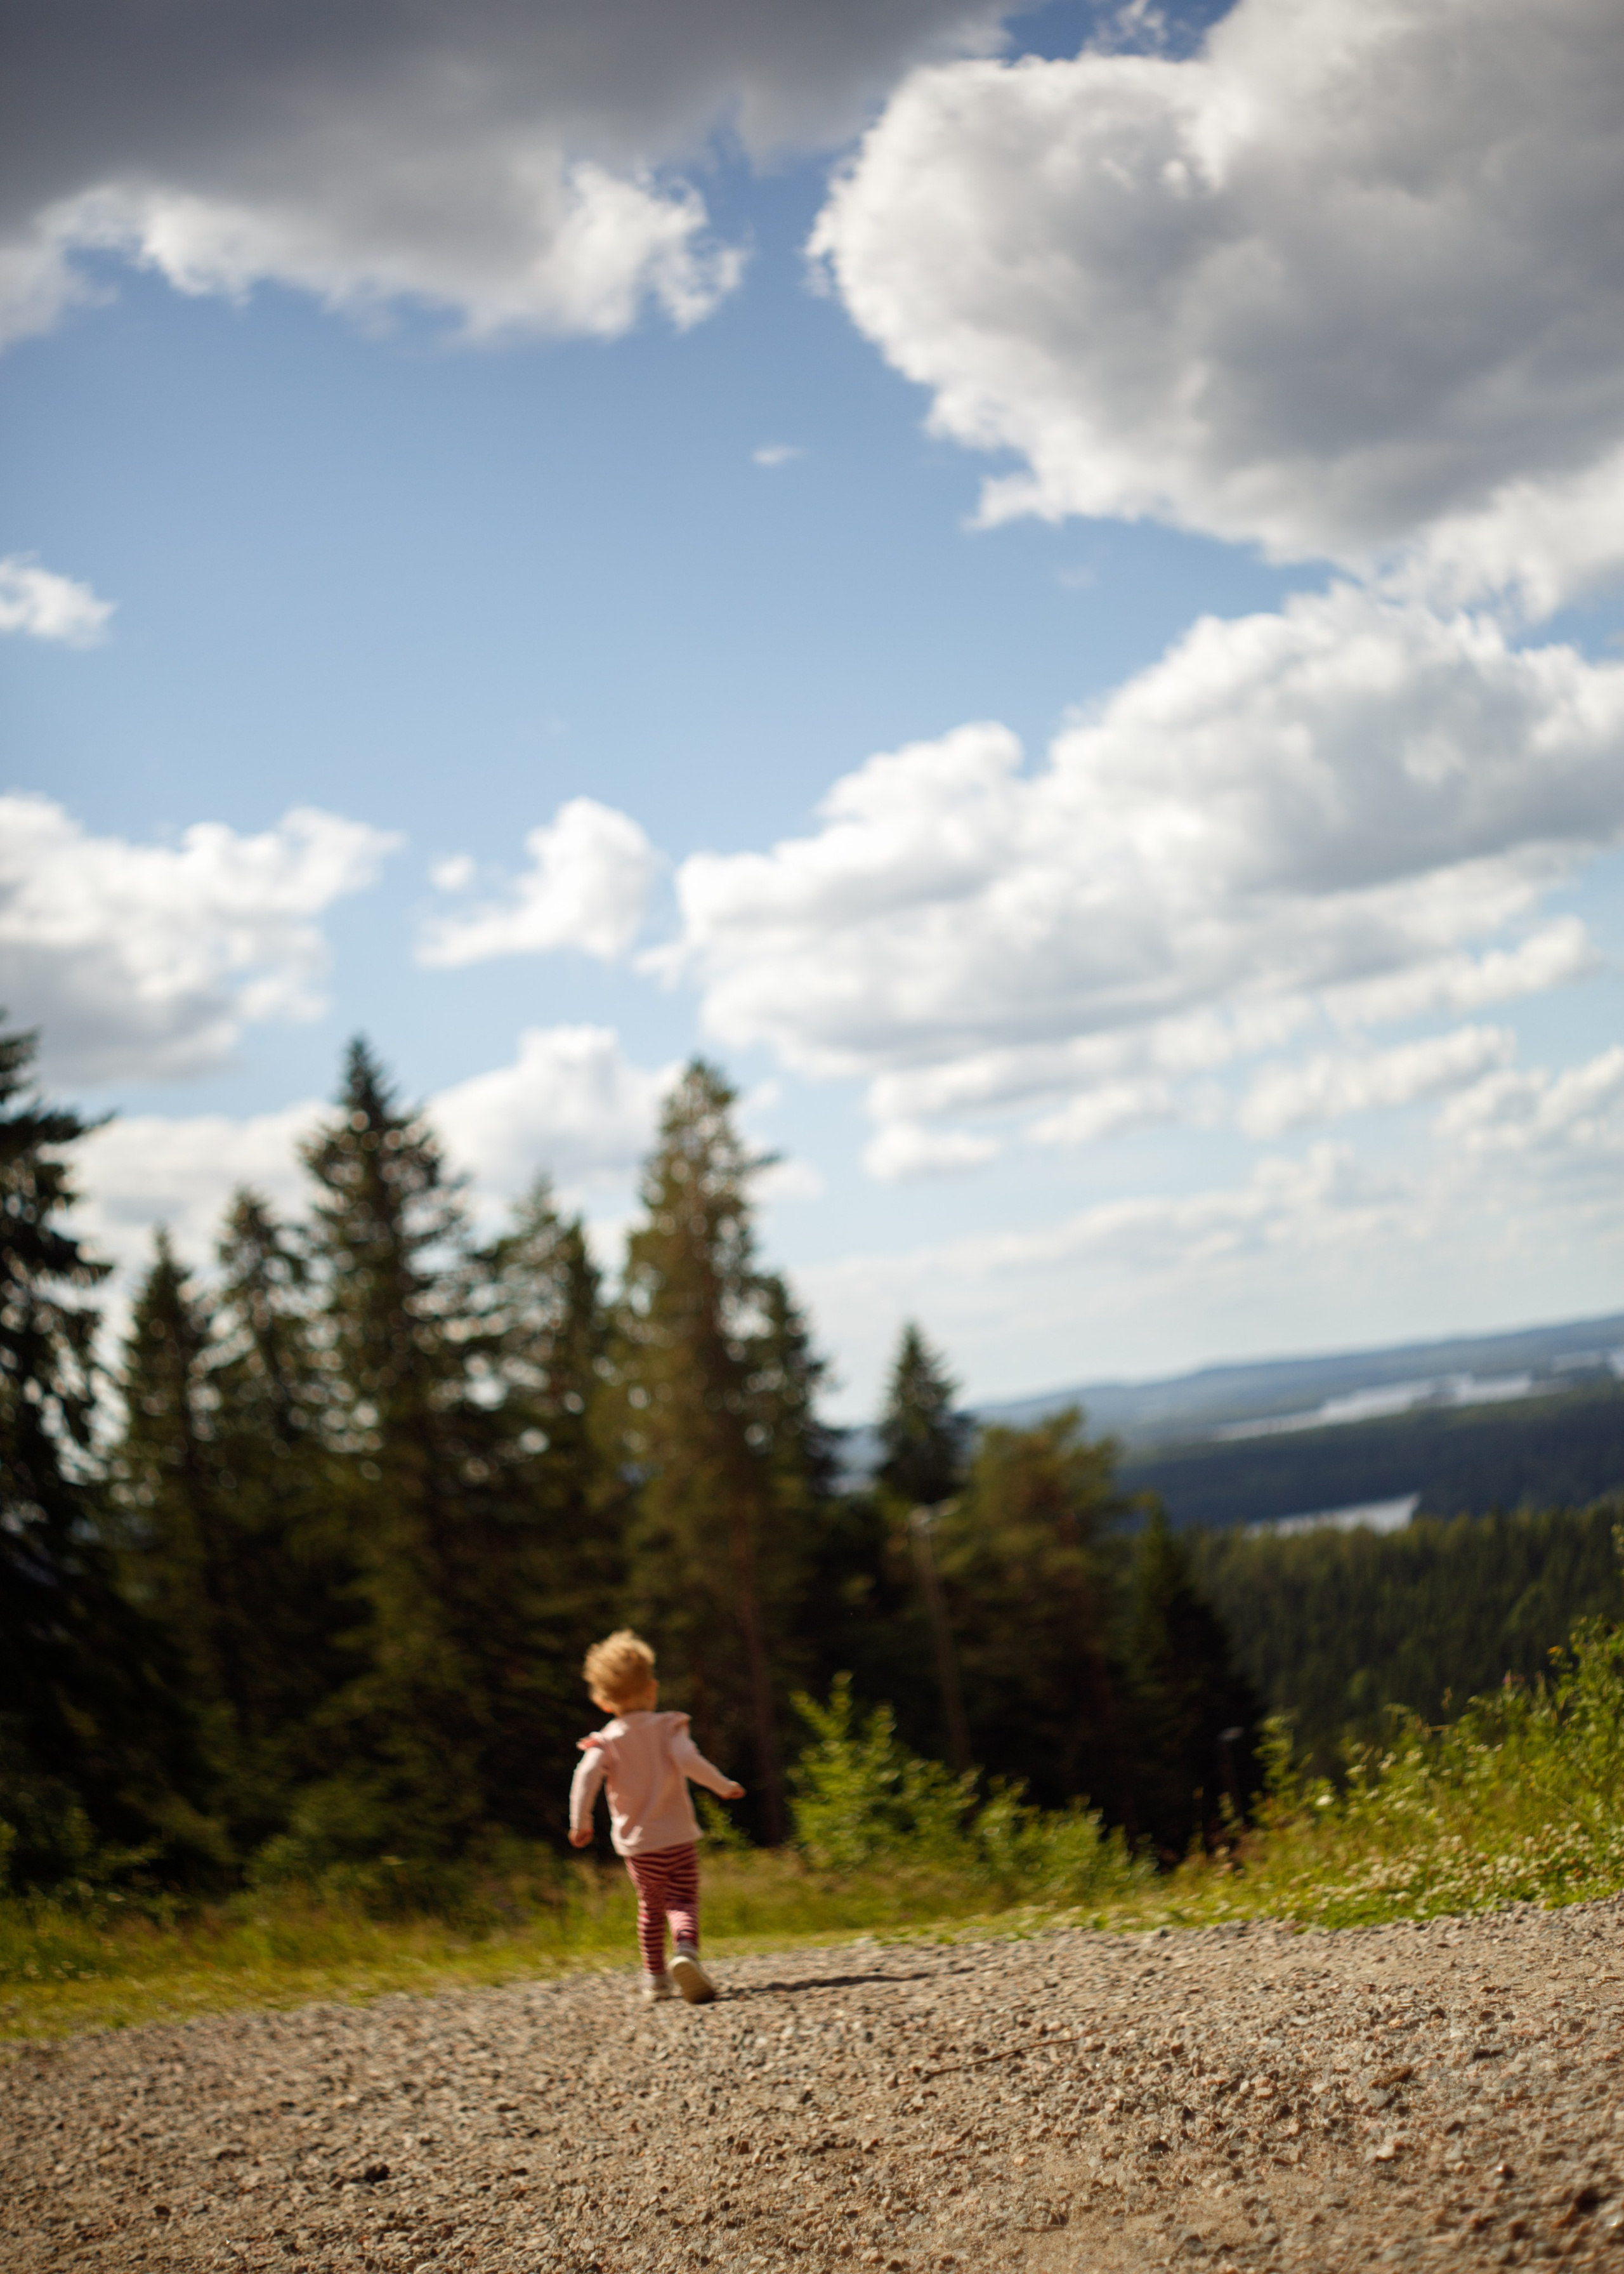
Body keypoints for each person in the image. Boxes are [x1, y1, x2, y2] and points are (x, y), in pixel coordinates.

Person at [569, 1628, 746, 2004]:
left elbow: (585, 1776)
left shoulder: (606, 1740)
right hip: (678, 1836)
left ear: (603, 1700)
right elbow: (688, 1761)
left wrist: (581, 1821)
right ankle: (685, 1953)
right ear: (652, 1688)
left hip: (639, 1845)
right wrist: (722, 1785)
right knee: (683, 1900)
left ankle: (655, 1979)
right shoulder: (668, 1728)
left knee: (651, 1908)